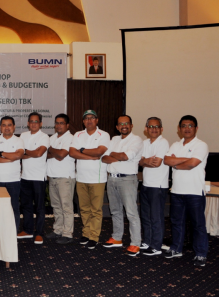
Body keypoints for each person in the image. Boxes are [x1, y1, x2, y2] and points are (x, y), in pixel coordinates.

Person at [164, 115, 209, 267]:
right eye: (184, 126)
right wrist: (185, 160)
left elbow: (193, 164)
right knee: (176, 222)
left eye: (190, 126)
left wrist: (176, 163)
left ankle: (201, 254)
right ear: (179, 128)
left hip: (195, 192)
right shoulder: (175, 145)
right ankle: (176, 249)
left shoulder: (201, 145)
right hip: (177, 191)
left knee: (198, 225)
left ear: (196, 128)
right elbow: (167, 160)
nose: (187, 128)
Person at [101, 115, 143, 256]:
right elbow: (104, 158)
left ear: (131, 125)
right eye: (121, 124)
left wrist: (114, 154)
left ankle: (135, 243)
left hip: (127, 180)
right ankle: (117, 238)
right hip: (112, 179)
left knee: (131, 213)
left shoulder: (136, 140)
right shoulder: (114, 139)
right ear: (117, 127)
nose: (124, 126)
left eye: (126, 123)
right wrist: (118, 156)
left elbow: (126, 156)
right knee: (115, 211)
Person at [69, 110, 110, 249]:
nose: (89, 120)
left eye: (92, 118)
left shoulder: (104, 135)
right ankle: (86, 233)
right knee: (84, 208)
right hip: (81, 177)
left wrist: (81, 150)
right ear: (83, 121)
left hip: (97, 178)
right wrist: (90, 156)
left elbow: (99, 151)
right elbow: (72, 152)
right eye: (86, 118)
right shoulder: (78, 134)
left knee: (96, 210)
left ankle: (94, 236)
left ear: (96, 120)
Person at [138, 117, 170, 256]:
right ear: (146, 129)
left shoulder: (163, 142)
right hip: (145, 184)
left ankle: (156, 246)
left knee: (156, 217)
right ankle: (147, 241)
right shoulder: (144, 143)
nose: (154, 129)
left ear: (161, 129)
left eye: (157, 126)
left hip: (158, 186)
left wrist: (145, 161)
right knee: (145, 216)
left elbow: (156, 163)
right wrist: (145, 161)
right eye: (151, 126)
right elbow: (139, 162)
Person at [17, 112, 50, 245]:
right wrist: (30, 152)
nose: (33, 124)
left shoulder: (44, 137)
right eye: (31, 121)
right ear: (28, 123)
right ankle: (28, 230)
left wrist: (26, 151)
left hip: (38, 177)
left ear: (40, 123)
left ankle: (39, 233)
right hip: (25, 176)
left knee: (40, 207)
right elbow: (20, 154)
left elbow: (39, 153)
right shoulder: (23, 135)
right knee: (26, 206)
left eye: (36, 121)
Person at [0, 116, 25, 232]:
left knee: (14, 208)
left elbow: (18, 155)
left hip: (14, 181)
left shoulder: (19, 140)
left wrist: (0, 153)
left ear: (14, 127)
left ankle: (13, 233)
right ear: (0, 127)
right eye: (4, 125)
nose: (7, 128)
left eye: (9, 125)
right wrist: (11, 158)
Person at [45, 114, 76, 245]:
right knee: (56, 206)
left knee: (66, 207)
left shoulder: (70, 138)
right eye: (57, 123)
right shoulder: (52, 138)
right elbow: (46, 155)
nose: (58, 125)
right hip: (52, 177)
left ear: (67, 125)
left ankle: (67, 233)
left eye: (61, 123)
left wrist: (51, 149)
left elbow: (62, 155)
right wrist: (55, 153)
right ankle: (58, 230)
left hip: (65, 178)